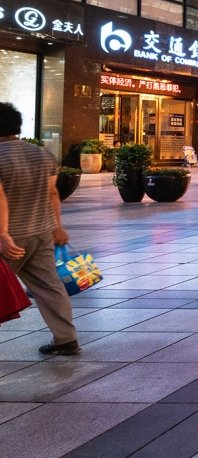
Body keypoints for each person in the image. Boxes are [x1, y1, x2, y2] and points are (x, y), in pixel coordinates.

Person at [0, 102, 78, 356]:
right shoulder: (41, 153)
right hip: (41, 232)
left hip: (9, 239)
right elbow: (52, 192)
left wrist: (3, 234)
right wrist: (57, 228)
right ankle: (65, 338)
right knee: (50, 286)